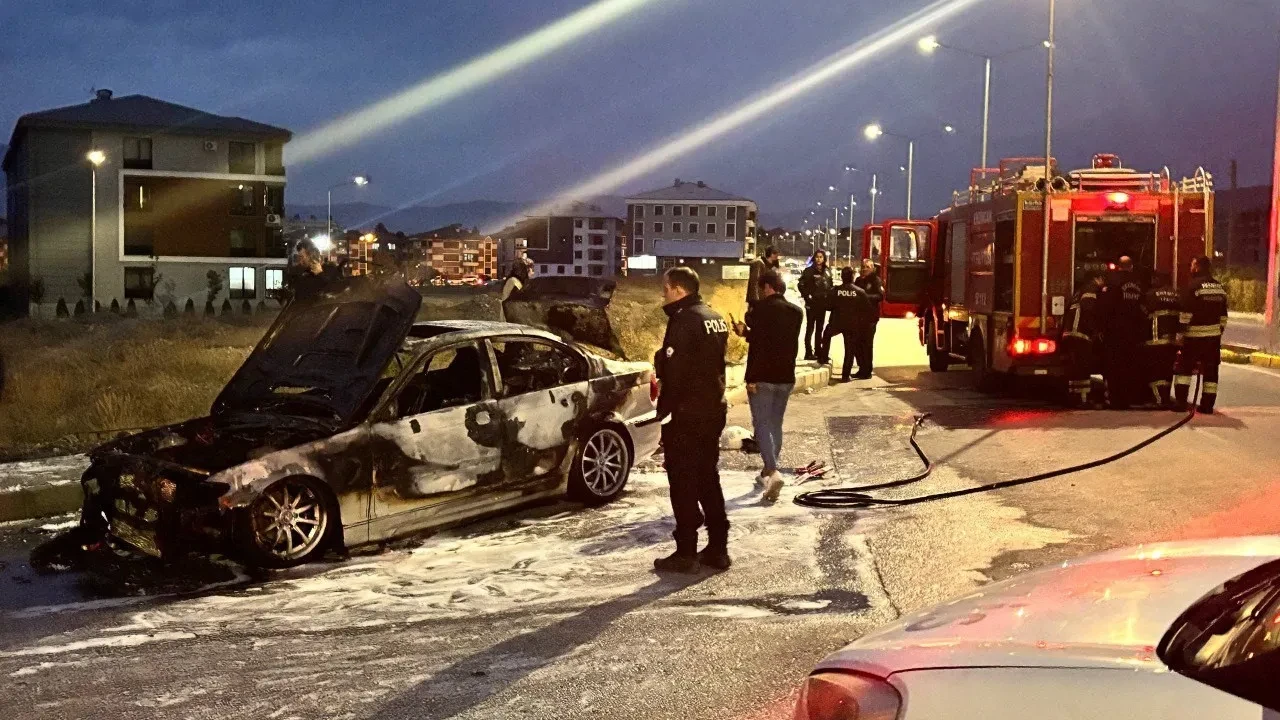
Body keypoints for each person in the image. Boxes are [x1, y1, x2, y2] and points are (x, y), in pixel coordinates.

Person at [653, 266, 731, 573]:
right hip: (713, 408)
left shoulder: (684, 320)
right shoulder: (714, 316)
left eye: (665, 288)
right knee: (708, 478)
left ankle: (686, 552)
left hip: (688, 414)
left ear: (676, 289)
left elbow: (676, 373)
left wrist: (664, 414)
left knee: (683, 481)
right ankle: (718, 548)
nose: (663, 294)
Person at [731, 269, 803, 502]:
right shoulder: (796, 312)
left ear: (767, 288)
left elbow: (761, 342)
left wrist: (745, 329)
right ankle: (769, 470)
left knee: (761, 423)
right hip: (785, 376)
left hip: (762, 376)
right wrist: (748, 334)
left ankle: (772, 470)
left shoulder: (759, 310)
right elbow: (773, 338)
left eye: (762, 289)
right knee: (775, 423)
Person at [1173, 256, 1229, 414]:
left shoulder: (1193, 287)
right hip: (1213, 339)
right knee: (1211, 373)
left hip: (1194, 337)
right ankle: (1207, 406)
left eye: (1192, 264)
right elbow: (1223, 316)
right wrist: (1218, 332)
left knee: (1184, 370)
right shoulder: (1219, 287)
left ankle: (1180, 403)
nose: (1191, 267)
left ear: (1197, 267)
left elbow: (1186, 313)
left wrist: (1180, 333)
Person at [1098, 255, 1146, 409]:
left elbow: (1105, 307)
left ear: (1118, 267)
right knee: (1129, 367)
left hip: (1115, 332)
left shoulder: (1112, 281)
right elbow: (1143, 307)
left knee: (1113, 367)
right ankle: (1127, 400)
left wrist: (1101, 329)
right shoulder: (1139, 283)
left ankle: (1115, 400)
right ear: (1131, 267)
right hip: (1133, 333)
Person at [1061, 272, 1104, 408]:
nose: (1103, 283)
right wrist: (1096, 331)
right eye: (1102, 279)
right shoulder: (1091, 291)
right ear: (1096, 279)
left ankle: (1074, 397)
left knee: (1074, 369)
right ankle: (1083, 400)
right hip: (1080, 335)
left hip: (1070, 334)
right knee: (1083, 368)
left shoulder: (1078, 293)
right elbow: (1089, 312)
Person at [1141, 272, 1182, 407]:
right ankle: (1165, 397)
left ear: (1158, 280)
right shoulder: (1177, 295)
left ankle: (1158, 399)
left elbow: (1142, 314)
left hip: (1155, 340)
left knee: (1155, 372)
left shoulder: (1151, 295)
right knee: (1167, 371)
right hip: (1172, 341)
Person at [819, 266, 861, 380]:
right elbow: (865, 308)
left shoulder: (835, 291)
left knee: (826, 335)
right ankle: (845, 376)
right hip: (852, 324)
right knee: (849, 350)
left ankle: (823, 358)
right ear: (852, 277)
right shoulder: (859, 292)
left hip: (836, 322)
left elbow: (827, 306)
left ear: (842, 277)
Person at [798, 250, 834, 361]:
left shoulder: (827, 271)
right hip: (811, 304)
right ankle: (808, 352)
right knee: (810, 328)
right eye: (817, 257)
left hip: (822, 305)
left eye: (821, 257)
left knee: (820, 329)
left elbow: (830, 286)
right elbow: (801, 285)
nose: (819, 259)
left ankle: (818, 351)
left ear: (824, 259)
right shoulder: (808, 271)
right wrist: (807, 297)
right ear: (814, 258)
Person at [851, 258, 883, 379]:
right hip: (858, 318)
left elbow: (880, 296)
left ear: (872, 268)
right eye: (863, 267)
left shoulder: (876, 280)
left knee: (867, 345)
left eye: (867, 267)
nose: (864, 269)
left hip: (870, 318)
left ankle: (867, 370)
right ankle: (861, 367)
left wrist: (865, 297)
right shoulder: (859, 280)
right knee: (856, 344)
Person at [499, 256, 533, 321]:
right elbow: (516, 303)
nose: (532, 272)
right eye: (531, 269)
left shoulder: (514, 281)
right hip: (510, 322)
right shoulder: (514, 282)